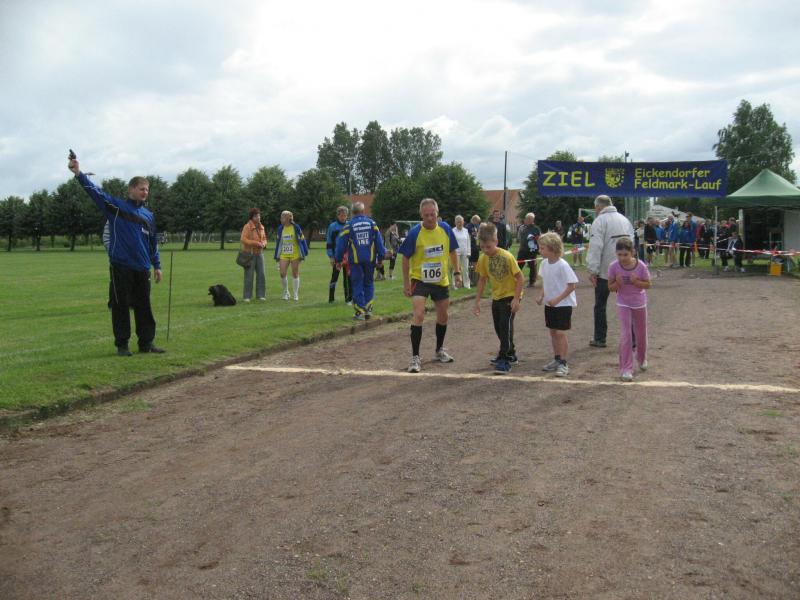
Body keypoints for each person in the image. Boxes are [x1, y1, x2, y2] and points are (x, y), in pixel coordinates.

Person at [68, 155, 164, 356]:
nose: (145, 192)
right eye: (141, 189)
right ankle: (122, 345)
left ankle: (146, 343)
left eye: (147, 189)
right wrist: (78, 173)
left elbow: (152, 243)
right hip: (121, 266)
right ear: (131, 190)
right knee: (121, 306)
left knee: (144, 306)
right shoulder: (116, 207)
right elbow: (95, 192)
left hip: (142, 268)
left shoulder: (149, 216)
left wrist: (157, 265)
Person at [399, 198, 461, 373]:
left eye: (432, 214)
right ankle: (415, 357)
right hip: (420, 279)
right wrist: (406, 283)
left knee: (443, 316)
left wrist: (457, 272)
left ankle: (439, 350)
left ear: (437, 213)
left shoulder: (446, 229)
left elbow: (452, 251)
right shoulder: (414, 232)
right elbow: (405, 258)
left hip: (440, 280)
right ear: (421, 215)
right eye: (426, 215)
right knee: (418, 314)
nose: (429, 218)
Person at [473, 223, 523, 374]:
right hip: (497, 296)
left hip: (510, 295)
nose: (485, 250)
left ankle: (504, 359)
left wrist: (516, 299)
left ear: (496, 241)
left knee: (505, 326)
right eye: (482, 247)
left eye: (488, 246)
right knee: (499, 327)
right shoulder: (483, 259)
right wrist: (477, 301)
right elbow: (482, 280)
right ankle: (511, 353)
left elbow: (520, 278)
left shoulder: (507, 256)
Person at [586, 194, 634, 349]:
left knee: (600, 305)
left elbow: (596, 246)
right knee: (629, 304)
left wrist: (592, 270)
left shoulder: (599, 221)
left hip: (605, 271)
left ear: (598, 206)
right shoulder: (625, 220)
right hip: (625, 268)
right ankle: (633, 339)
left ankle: (600, 338)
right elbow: (632, 244)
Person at [608, 237, 651, 382]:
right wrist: (617, 283)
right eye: (619, 254)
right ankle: (626, 368)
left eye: (625, 254)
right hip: (623, 303)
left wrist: (636, 282)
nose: (622, 258)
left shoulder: (641, 266)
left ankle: (641, 357)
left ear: (632, 252)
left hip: (639, 302)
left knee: (641, 333)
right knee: (626, 334)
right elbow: (610, 287)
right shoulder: (613, 266)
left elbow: (648, 284)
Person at [536, 232, 578, 377]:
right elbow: (545, 282)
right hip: (550, 305)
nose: (540, 251)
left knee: (560, 333)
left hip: (563, 305)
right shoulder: (544, 264)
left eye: (542, 248)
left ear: (552, 248)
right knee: (553, 332)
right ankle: (557, 358)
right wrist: (541, 296)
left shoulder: (563, 265)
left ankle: (564, 363)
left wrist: (558, 299)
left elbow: (572, 285)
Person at [334, 202, 387, 320]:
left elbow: (340, 246)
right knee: (369, 283)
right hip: (370, 260)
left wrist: (338, 260)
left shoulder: (348, 226)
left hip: (355, 261)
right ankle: (368, 309)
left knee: (357, 284)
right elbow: (379, 243)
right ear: (363, 211)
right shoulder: (372, 224)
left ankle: (360, 311)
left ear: (352, 213)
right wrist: (380, 258)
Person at [274, 210, 308, 301]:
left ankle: (295, 294)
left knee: (295, 273)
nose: (281, 219)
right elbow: (278, 242)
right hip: (284, 254)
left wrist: (305, 251)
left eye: (282, 217)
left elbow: (302, 239)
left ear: (288, 218)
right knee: (282, 273)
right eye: (281, 217)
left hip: (295, 254)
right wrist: (276, 256)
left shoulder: (296, 227)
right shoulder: (280, 228)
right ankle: (286, 292)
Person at [240, 208, 267, 302]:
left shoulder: (262, 227)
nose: (258, 217)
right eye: (256, 216)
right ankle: (247, 296)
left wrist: (264, 243)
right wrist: (255, 243)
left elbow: (265, 238)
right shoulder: (247, 227)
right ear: (251, 217)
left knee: (261, 274)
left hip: (260, 254)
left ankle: (260, 295)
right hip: (249, 254)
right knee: (249, 275)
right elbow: (243, 239)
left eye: (259, 216)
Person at [326, 206, 351, 304]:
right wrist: (331, 256)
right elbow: (329, 243)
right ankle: (331, 298)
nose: (343, 217)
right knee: (334, 277)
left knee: (348, 278)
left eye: (345, 215)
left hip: (348, 256)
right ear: (338, 215)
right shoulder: (332, 227)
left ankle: (348, 299)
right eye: (341, 215)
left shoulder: (349, 225)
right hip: (337, 257)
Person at [516, 212, 541, 287]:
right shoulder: (522, 227)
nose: (527, 220)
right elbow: (520, 238)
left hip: (532, 251)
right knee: (518, 265)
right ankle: (516, 280)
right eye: (527, 218)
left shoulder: (536, 229)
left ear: (532, 219)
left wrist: (539, 249)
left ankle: (532, 282)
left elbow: (539, 239)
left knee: (532, 266)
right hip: (522, 250)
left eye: (529, 218)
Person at [452, 215, 472, 289]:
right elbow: (451, 243)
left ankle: (467, 285)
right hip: (456, 252)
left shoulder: (466, 230)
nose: (459, 223)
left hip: (465, 252)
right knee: (456, 269)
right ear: (455, 223)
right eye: (458, 222)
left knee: (465, 269)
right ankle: (455, 285)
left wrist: (469, 252)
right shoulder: (453, 231)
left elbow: (468, 242)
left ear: (463, 222)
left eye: (461, 222)